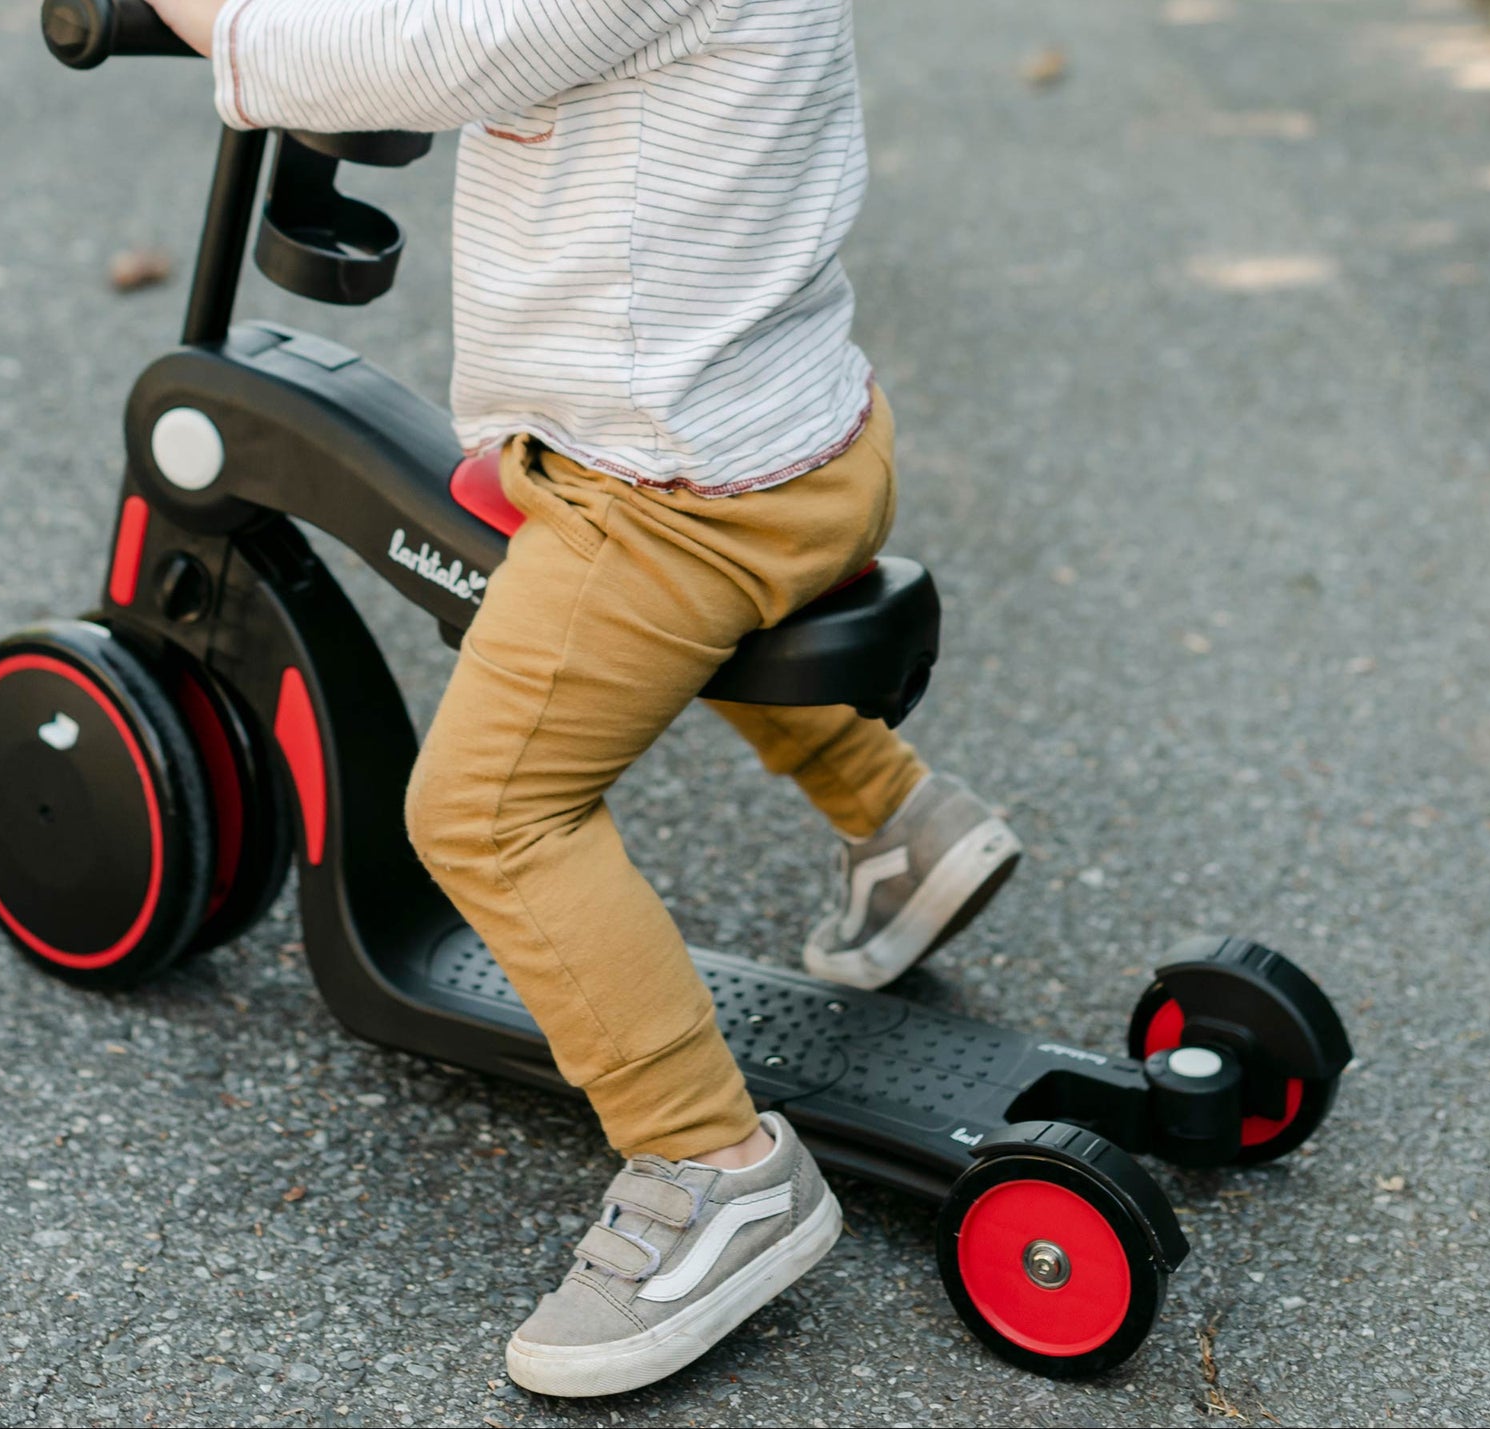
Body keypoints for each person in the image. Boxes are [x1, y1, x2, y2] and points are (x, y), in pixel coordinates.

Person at [146, 0, 1024, 1397]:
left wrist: (223, 20)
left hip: (669, 494)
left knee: (487, 812)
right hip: (788, 434)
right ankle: (894, 816)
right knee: (626, 637)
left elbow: (432, 56)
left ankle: (712, 1170)